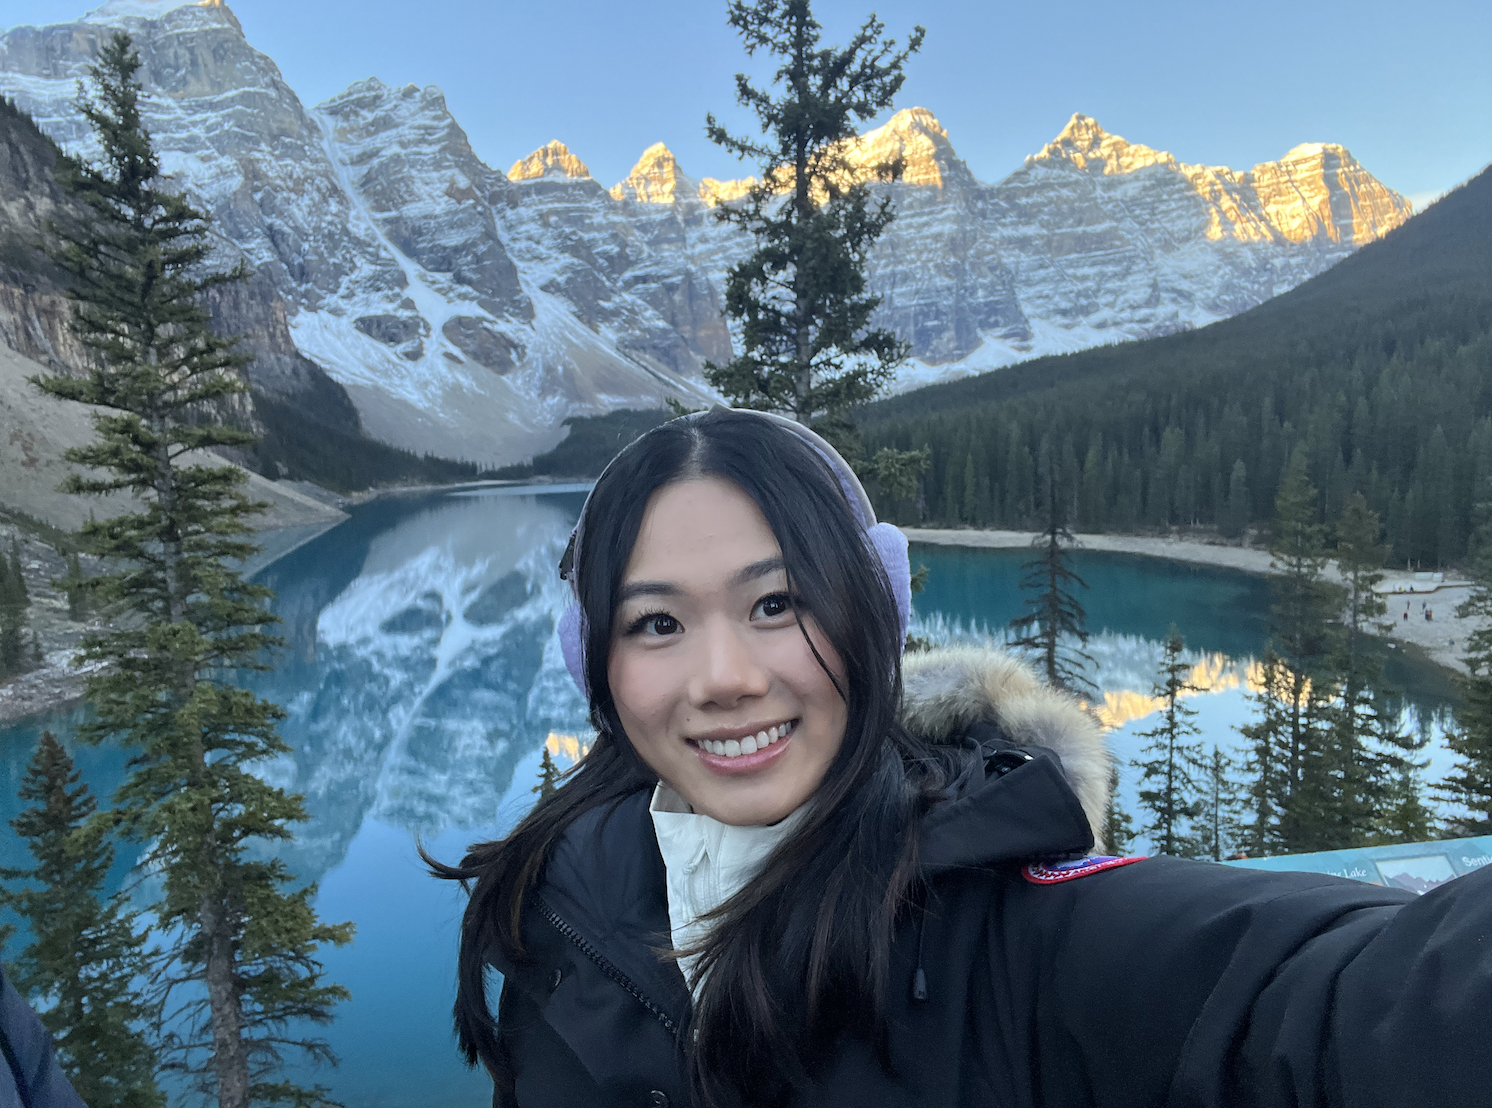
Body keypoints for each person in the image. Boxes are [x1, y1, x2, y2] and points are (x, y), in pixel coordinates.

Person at [431, 408, 1492, 1108]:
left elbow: (1334, 1000)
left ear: (872, 613)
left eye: (776, 603)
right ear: (597, 665)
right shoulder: (561, 897)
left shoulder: (1017, 922)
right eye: (655, 623)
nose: (724, 676)